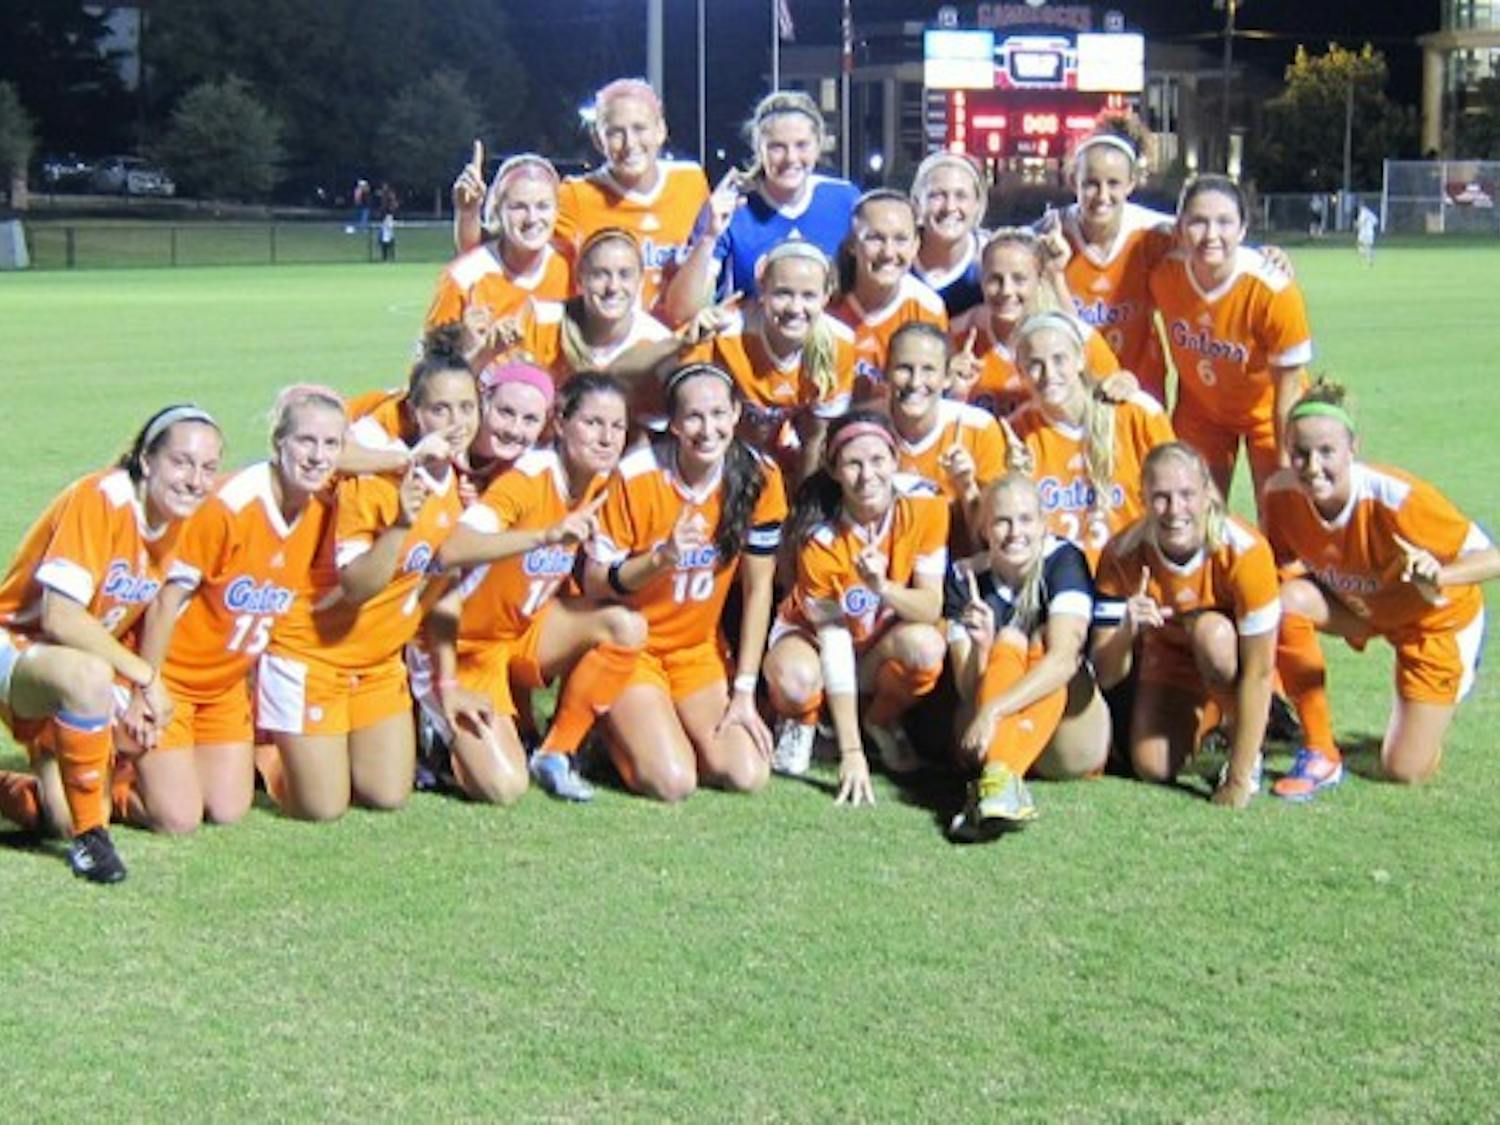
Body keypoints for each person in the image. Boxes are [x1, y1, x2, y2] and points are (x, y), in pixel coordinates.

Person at [0, 405, 223, 881]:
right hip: (16, 643)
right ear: (146, 459)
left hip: (76, 662)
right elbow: (60, 617)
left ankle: (37, 794)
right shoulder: (102, 497)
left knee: (174, 815)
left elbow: (161, 605)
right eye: (181, 462)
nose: (195, 480)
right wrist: (143, 677)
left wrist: (144, 689)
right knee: (90, 677)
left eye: (208, 467)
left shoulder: (182, 517)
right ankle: (91, 842)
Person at [257, 359, 478, 821]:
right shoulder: (373, 478)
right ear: (414, 412)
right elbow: (356, 586)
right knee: (323, 807)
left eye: (466, 408)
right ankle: (265, 751)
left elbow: (444, 577)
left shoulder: (454, 481)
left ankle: (322, 748)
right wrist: (400, 526)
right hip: (315, 655)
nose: (456, 423)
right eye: (441, 409)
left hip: (377, 665)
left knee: (387, 793)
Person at [122, 387, 345, 834]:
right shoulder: (230, 505)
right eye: (305, 441)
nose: (318, 456)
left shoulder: (321, 507)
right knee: (179, 819)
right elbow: (168, 599)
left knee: (226, 809)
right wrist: (148, 684)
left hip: (223, 689)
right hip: (174, 681)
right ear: (277, 442)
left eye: (331, 444)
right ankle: (108, 774)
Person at [1262, 382, 1498, 799]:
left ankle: (1440, 697)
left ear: (1353, 448)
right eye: (1300, 453)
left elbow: (1491, 557)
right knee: (1285, 602)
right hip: (1362, 608)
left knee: (1405, 769)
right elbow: (1277, 568)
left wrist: (1438, 576)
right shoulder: (1280, 495)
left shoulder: (1399, 498)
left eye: (1326, 452)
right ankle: (1320, 751)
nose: (1312, 465)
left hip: (1433, 620)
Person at [426, 372, 643, 804]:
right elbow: (452, 551)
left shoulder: (602, 482)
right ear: (560, 424)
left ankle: (557, 751)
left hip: (518, 634)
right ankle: (432, 725)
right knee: (503, 788)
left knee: (625, 626)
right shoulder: (527, 478)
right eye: (593, 423)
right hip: (464, 644)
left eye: (617, 427)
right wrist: (544, 536)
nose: (606, 438)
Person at [584, 363, 787, 802]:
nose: (707, 428)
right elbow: (595, 582)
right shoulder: (636, 476)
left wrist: (745, 692)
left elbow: (758, 591)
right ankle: (602, 731)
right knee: (673, 782)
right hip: (631, 648)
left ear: (736, 413)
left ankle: (660, 725)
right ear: (673, 423)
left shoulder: (759, 477)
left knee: (745, 773)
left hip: (696, 651)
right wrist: (660, 560)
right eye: (693, 416)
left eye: (718, 413)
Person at [763, 410, 950, 795]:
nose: (868, 475)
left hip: (875, 641)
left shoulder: (927, 504)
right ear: (833, 470)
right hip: (814, 640)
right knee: (797, 680)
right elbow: (833, 642)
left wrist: (883, 588)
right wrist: (853, 754)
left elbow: (931, 607)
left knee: (927, 645)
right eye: (853, 464)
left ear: (895, 460)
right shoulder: (820, 537)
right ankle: (804, 721)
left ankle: (880, 721)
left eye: (878, 460)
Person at [1091, 442, 1281, 808]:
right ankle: (1213, 725)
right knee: (1151, 765)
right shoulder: (1121, 553)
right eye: (1161, 497)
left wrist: (1239, 780)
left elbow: (1260, 670)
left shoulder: (1245, 549)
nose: (1175, 510)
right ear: (1141, 497)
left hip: (1229, 655)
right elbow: (1106, 674)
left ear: (1208, 492)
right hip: (1169, 655)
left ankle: (1250, 732)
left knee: (1212, 634)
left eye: (1186, 494)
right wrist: (1126, 629)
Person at [453, 82, 710, 317]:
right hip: (607, 351)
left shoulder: (691, 181)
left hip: (677, 348)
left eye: (639, 128)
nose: (630, 143)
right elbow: (484, 252)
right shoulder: (576, 195)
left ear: (660, 131)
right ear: (598, 140)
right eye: (615, 132)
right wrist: (468, 212)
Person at [945, 474, 1110, 839]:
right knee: (1005, 638)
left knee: (1039, 639)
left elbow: (1066, 659)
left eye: (1025, 520)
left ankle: (998, 777)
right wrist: (982, 647)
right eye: (1002, 521)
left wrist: (994, 710)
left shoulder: (1065, 560)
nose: (1014, 532)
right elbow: (967, 690)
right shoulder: (964, 577)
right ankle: (1001, 784)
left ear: (1043, 524)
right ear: (984, 528)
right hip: (988, 735)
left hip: (1065, 741)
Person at [1148, 174, 1312, 507]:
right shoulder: (1163, 270)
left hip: (1267, 413)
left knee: (1281, 517)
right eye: (1198, 222)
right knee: (1195, 513)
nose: (1211, 235)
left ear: (1243, 229)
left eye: (1224, 222)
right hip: (1201, 410)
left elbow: (1289, 388)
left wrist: (1285, 460)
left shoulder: (1271, 289)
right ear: (1179, 228)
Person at [665, 89, 860, 320]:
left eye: (802, 145)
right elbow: (681, 313)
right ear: (758, 149)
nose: (791, 158)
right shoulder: (732, 207)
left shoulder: (844, 199)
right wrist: (708, 236)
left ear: (818, 146)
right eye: (777, 147)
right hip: (753, 346)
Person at [679, 238, 856, 483]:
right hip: (719, 455)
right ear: (762, 289)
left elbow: (815, 438)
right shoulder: (725, 332)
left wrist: (804, 510)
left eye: (808, 296)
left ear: (826, 296)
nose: (795, 308)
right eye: (783, 293)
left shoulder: (839, 345)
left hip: (779, 454)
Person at [1007, 313, 1174, 566]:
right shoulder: (1016, 432)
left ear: (1080, 359)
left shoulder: (1137, 413)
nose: (1049, 373)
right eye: (1035, 364)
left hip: (1134, 570)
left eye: (1059, 359)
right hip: (1057, 581)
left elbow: (1179, 497)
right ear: (1021, 372)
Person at [1049, 125, 1175, 403]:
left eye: (1114, 183)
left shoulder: (1155, 232)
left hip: (1143, 382)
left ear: (1132, 183)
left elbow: (1214, 242)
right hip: (1079, 384)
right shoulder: (1052, 233)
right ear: (1073, 182)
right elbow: (1001, 248)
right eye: (1091, 183)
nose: (1102, 195)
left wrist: (1266, 254)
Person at [948, 228, 1120, 420]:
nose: (1006, 290)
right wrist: (954, 391)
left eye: (1019, 279)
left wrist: (1127, 383)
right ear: (981, 280)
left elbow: (1116, 391)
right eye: (995, 279)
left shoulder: (1075, 336)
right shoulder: (957, 335)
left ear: (1039, 279)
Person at [883, 321, 1011, 549]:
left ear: (947, 377)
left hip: (958, 567)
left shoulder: (979, 428)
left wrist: (967, 486)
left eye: (928, 370)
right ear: (886, 372)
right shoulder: (865, 428)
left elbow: (990, 545)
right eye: (904, 368)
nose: (915, 382)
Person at [427, 154, 571, 333]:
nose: (532, 218)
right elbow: (433, 357)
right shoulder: (463, 277)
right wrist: (468, 346)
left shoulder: (573, 272)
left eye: (543, 206)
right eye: (518, 207)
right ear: (498, 210)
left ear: (557, 211)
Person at [829, 189, 949, 404]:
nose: (888, 253)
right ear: (852, 245)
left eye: (900, 239)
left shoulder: (927, 308)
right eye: (875, 238)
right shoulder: (825, 303)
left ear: (916, 245)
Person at [911, 151, 990, 318]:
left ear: (978, 204)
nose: (950, 207)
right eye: (937, 195)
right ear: (917, 203)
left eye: (961, 196)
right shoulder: (896, 258)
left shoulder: (992, 258)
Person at [1355, 201, 1379, 266]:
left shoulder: (1363, 212)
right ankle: (1370, 257)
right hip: (1370, 232)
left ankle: (1369, 256)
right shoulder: (1370, 213)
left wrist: (1357, 224)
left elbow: (1361, 223)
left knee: (1361, 245)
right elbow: (1376, 221)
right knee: (1367, 246)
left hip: (1365, 233)